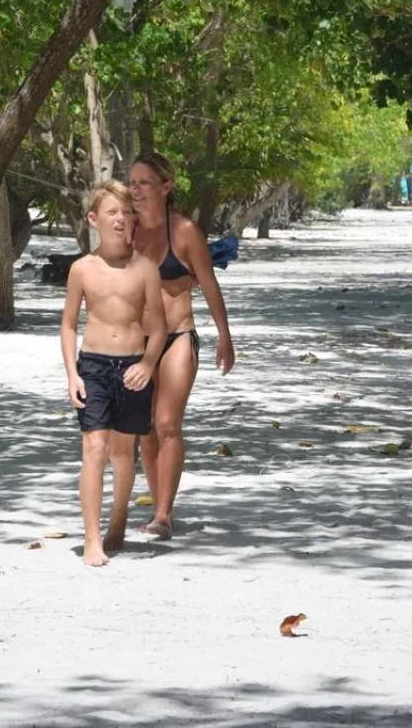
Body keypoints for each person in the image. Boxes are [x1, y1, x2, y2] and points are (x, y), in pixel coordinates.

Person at [127, 153, 235, 540]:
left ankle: (164, 515)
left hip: (178, 336)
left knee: (168, 423)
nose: (135, 189)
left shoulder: (185, 231)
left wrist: (225, 336)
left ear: (166, 186)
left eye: (144, 182)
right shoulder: (128, 230)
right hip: (136, 341)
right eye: (132, 182)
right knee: (146, 431)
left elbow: (208, 284)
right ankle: (157, 506)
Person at [60, 180, 167, 567]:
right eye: (112, 213)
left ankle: (118, 517)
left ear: (134, 219)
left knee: (124, 454)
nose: (120, 219)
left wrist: (148, 364)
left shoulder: (145, 269)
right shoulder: (81, 269)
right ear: (94, 219)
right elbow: (69, 324)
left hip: (133, 367)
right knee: (94, 449)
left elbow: (159, 329)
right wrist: (73, 374)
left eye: (126, 212)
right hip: (94, 366)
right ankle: (91, 539)